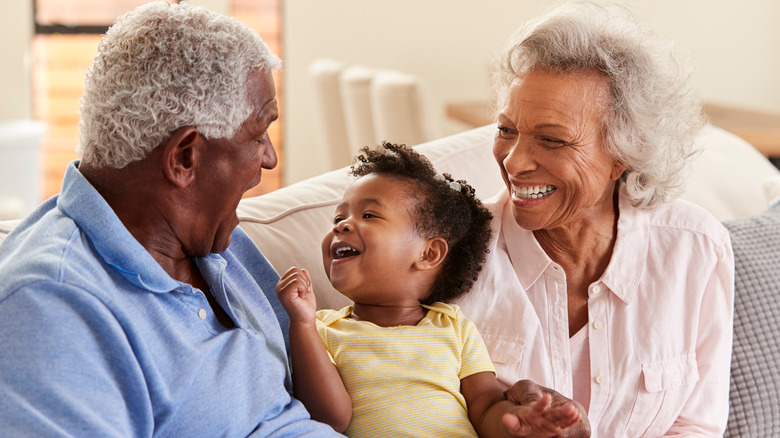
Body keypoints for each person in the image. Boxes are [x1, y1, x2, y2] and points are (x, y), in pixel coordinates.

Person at [0, 3, 341, 436]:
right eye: (258, 135)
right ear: (184, 157)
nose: (270, 158)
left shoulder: (212, 240)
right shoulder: (49, 307)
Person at [454, 2, 735, 436]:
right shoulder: (451, 252)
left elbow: (695, 424)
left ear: (625, 153)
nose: (514, 161)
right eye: (507, 130)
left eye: (551, 139)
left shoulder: (694, 246)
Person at [275, 142, 585, 437]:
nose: (340, 226)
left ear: (428, 254)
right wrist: (301, 324)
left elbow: (487, 409)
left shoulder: (454, 326)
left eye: (368, 215)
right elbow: (330, 418)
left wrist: (524, 424)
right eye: (339, 217)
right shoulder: (322, 330)